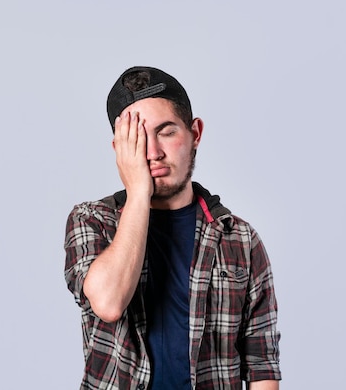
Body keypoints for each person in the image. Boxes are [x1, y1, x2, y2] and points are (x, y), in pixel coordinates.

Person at [63, 66, 281, 389]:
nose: (153, 153)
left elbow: (262, 366)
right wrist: (139, 191)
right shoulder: (92, 221)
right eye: (137, 140)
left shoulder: (241, 241)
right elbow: (109, 303)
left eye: (166, 132)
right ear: (120, 151)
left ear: (195, 133)